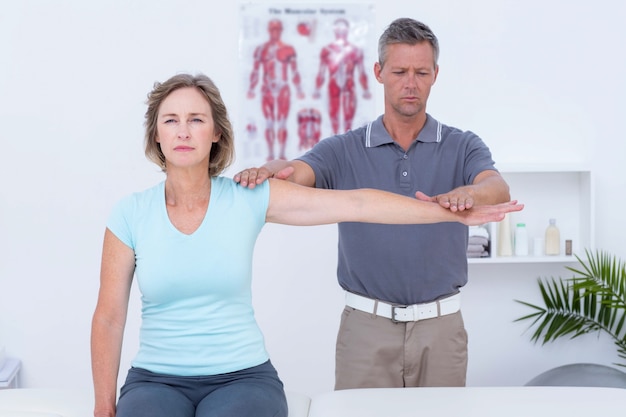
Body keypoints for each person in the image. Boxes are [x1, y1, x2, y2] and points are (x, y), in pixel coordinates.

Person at [90, 73, 521, 417]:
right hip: (155, 380)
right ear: (157, 136)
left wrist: (450, 211)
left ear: (216, 133)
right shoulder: (130, 214)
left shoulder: (247, 197)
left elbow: (357, 203)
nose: (183, 130)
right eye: (171, 120)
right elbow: (109, 317)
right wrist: (104, 405)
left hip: (241, 379)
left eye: (196, 119)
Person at [234, 17, 512, 390]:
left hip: (442, 329)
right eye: (399, 71)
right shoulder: (344, 148)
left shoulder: (462, 145)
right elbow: (296, 173)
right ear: (378, 72)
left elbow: (496, 186)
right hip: (365, 329)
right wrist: (270, 168)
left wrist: (470, 195)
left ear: (435, 74)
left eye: (421, 72)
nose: (410, 83)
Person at [247, 18, 305, 161]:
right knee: (269, 123)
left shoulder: (288, 50)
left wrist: (298, 89)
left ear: (281, 31)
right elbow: (255, 71)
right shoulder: (261, 50)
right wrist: (251, 88)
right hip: (267, 89)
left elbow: (294, 71)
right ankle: (271, 154)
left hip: (283, 89)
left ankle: (282, 154)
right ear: (269, 30)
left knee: (282, 123)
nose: (275, 32)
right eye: (272, 29)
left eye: (277, 29)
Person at [312, 18, 371, 135]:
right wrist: (317, 89)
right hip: (333, 84)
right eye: (338, 29)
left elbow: (361, 72)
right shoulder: (327, 50)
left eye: (342, 29)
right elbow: (321, 72)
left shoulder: (355, 50)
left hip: (349, 85)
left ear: (347, 30)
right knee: (334, 117)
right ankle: (335, 145)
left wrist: (365, 89)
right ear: (334, 30)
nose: (340, 31)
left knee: (348, 119)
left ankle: (345, 145)